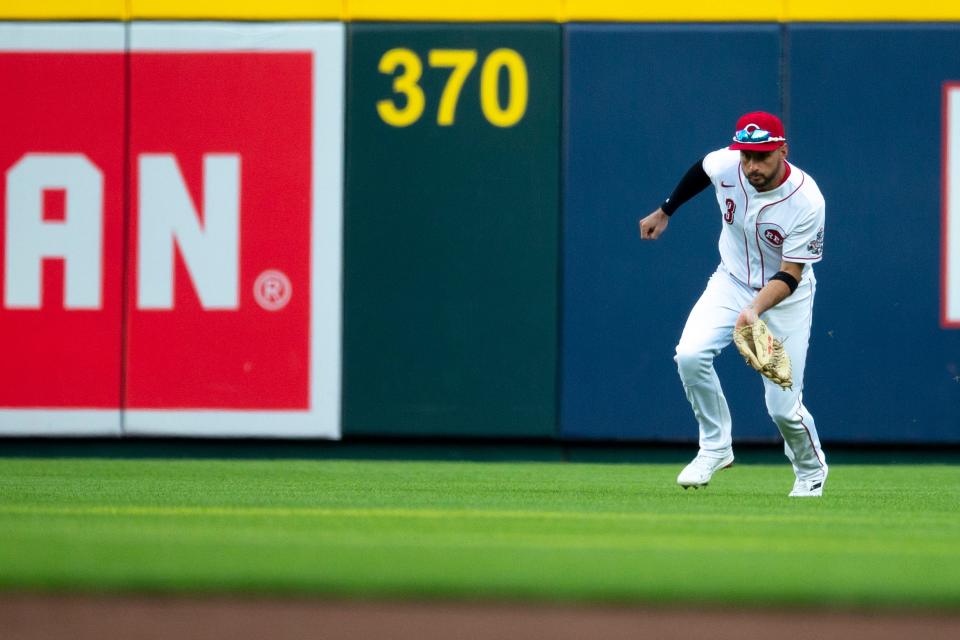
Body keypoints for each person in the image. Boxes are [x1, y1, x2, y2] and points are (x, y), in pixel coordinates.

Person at [638, 111, 828, 497]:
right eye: (746, 156)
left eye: (762, 156)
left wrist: (755, 309)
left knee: (782, 409)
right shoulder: (727, 163)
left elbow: (791, 273)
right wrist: (665, 209)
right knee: (690, 355)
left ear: (783, 150)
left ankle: (810, 470)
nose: (752, 165)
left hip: (786, 298)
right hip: (731, 281)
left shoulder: (807, 200)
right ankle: (715, 447)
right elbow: (701, 170)